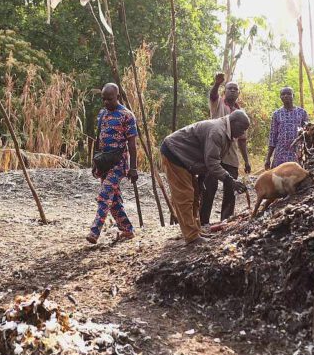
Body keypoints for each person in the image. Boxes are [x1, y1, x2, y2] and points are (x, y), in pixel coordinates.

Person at [160, 110, 250, 244]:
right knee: (185, 196)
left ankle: (196, 230)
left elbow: (205, 156)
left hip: (188, 159)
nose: (242, 133)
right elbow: (212, 162)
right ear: (233, 122)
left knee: (196, 195)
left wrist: (201, 179)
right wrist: (230, 180)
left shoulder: (225, 132)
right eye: (242, 128)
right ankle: (191, 236)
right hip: (175, 154)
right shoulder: (217, 131)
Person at [87, 83, 138, 244]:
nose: (106, 102)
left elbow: (132, 144)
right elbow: (98, 139)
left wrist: (133, 168)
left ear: (117, 97)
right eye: (103, 99)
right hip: (104, 162)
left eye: (109, 99)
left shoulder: (127, 115)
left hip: (119, 164)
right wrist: (95, 162)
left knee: (104, 195)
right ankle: (128, 230)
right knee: (114, 201)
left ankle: (95, 231)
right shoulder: (102, 114)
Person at [202, 72, 251, 225]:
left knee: (231, 188)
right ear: (225, 91)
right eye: (229, 88)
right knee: (210, 186)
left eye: (235, 89)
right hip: (215, 150)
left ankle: (226, 220)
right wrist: (217, 84)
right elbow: (212, 95)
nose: (232, 91)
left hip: (231, 155)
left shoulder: (240, 113)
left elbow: (242, 140)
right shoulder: (218, 104)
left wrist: (247, 161)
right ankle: (203, 221)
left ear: (238, 93)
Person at [265, 87, 309, 169]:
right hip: (280, 154)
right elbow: (272, 137)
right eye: (283, 94)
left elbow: (307, 134)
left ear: (293, 96)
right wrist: (268, 158)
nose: (286, 96)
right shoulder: (276, 114)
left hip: (296, 153)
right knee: (278, 178)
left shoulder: (302, 113)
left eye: (288, 94)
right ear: (280, 97)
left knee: (296, 178)